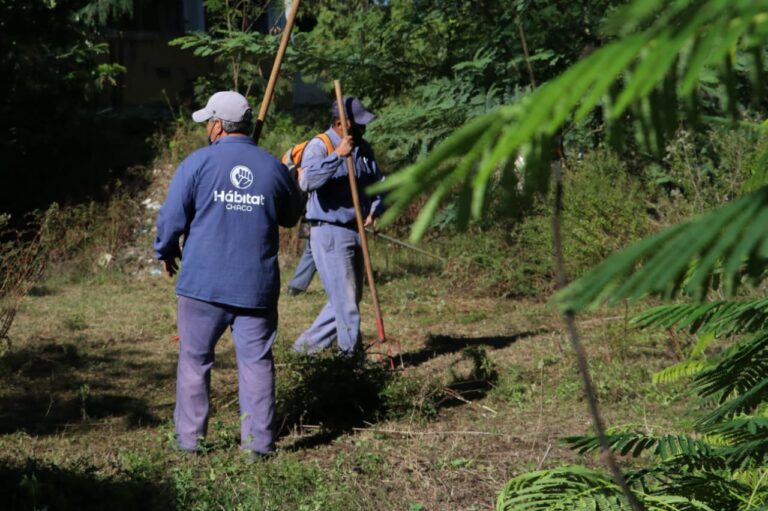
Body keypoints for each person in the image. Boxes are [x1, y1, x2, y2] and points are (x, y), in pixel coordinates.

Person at [154, 90, 302, 458]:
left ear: (218, 125)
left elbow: (172, 219)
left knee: (194, 361)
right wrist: (285, 176)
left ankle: (189, 443)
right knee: (256, 364)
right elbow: (290, 216)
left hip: (203, 286)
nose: (208, 128)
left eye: (209, 122)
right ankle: (260, 447)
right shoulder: (272, 167)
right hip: (256, 287)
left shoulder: (197, 164)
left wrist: (166, 250)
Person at [292, 96, 385, 356]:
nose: (363, 130)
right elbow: (307, 181)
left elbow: (380, 184)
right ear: (339, 123)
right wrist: (337, 156)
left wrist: (377, 209)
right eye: (359, 125)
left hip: (356, 231)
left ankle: (302, 350)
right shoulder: (319, 146)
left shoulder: (364, 149)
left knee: (346, 302)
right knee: (346, 305)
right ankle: (350, 365)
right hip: (330, 232)